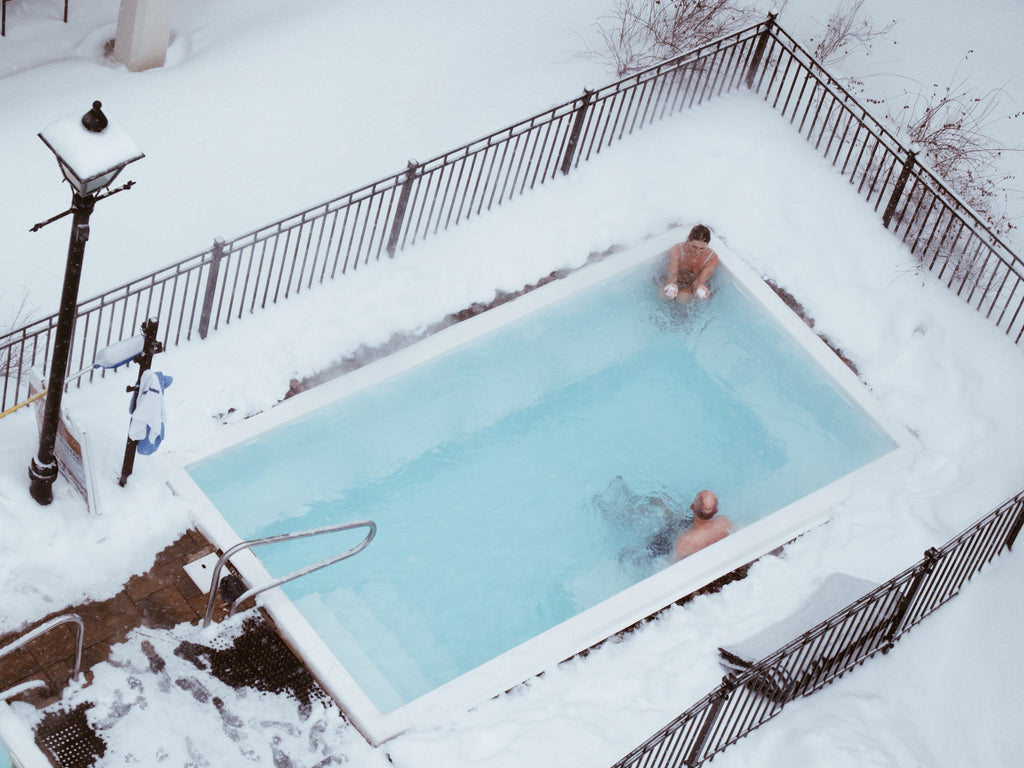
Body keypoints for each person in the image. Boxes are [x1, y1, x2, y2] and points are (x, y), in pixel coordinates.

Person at [662, 224, 719, 301]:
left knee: (682, 297)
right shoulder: (678, 250)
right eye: (694, 247)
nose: (697, 252)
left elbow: (699, 281)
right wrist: (672, 283)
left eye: (702, 248)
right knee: (662, 294)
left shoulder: (711, 258)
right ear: (688, 239)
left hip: (693, 285)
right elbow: (673, 273)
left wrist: (699, 287)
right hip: (678, 279)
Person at [672, 490, 732, 560]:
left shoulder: (685, 541)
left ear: (692, 506)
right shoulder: (723, 522)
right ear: (716, 510)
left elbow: (673, 562)